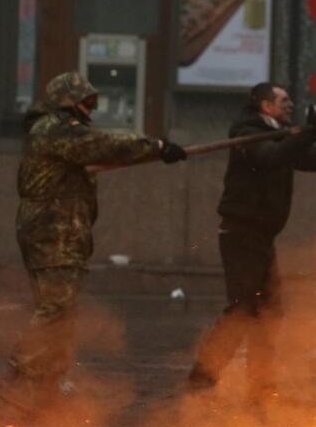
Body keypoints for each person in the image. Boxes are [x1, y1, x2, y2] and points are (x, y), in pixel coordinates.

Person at [187, 83, 316, 399]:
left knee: (269, 312)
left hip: (262, 237)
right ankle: (202, 377)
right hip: (241, 234)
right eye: (283, 100)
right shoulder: (247, 134)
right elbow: (271, 157)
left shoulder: (283, 135)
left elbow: (312, 159)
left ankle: (260, 387)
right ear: (266, 106)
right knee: (244, 308)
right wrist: (309, 132)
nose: (290, 105)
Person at [10, 71, 187, 386]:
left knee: (61, 310)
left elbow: (93, 153)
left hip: (56, 229)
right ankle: (22, 375)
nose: (91, 108)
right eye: (86, 101)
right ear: (68, 103)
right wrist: (156, 146)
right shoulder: (56, 129)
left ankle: (46, 381)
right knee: (57, 307)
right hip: (54, 230)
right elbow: (102, 145)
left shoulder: (57, 135)